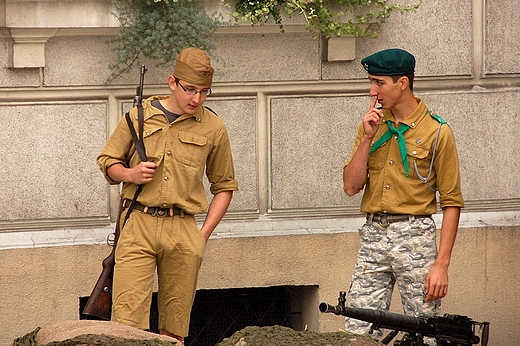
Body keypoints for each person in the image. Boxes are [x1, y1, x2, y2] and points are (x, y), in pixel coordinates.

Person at [97, 47, 238, 343]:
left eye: (204, 92)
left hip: (183, 227)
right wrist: (129, 175)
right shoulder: (139, 116)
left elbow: (224, 186)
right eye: (190, 90)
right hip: (138, 223)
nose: (196, 99)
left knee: (174, 327)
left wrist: (202, 236)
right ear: (172, 82)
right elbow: (107, 161)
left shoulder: (213, 127)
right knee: (127, 324)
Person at [342, 48, 464, 343]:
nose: (372, 91)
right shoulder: (372, 123)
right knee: (357, 329)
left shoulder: (437, 132)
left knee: (426, 331)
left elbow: (451, 202)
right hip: (373, 235)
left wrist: (441, 266)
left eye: (379, 83)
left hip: (416, 237)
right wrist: (367, 137)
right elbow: (350, 186)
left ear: (402, 83)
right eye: (371, 82)